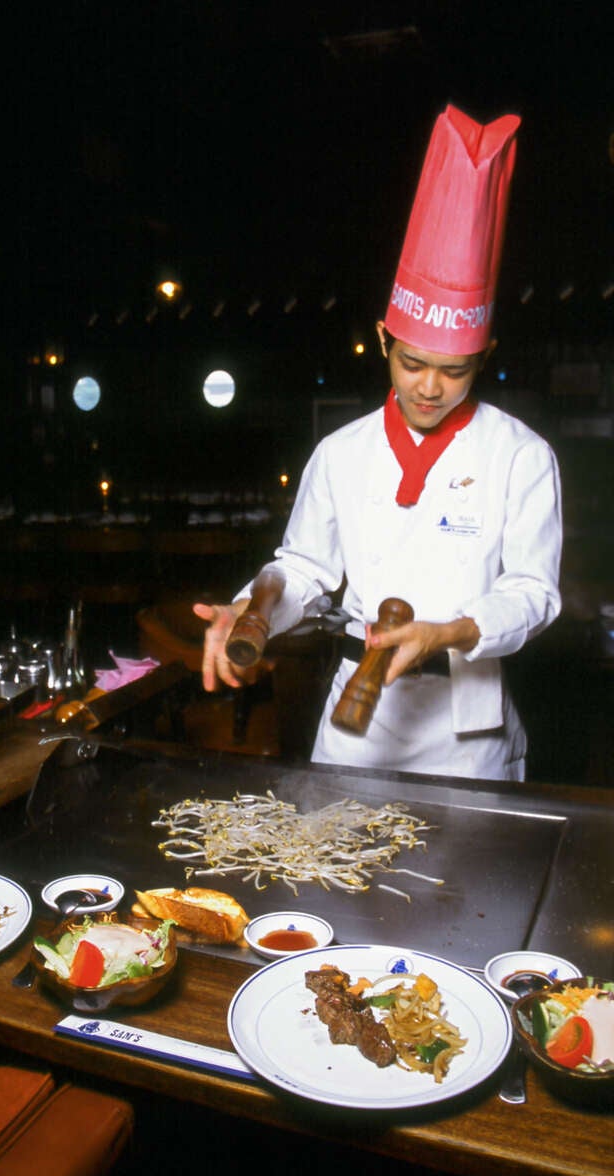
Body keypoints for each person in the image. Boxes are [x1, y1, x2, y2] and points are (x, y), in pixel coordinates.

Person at [193, 105, 562, 782]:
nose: (431, 387)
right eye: (412, 363)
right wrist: (252, 610)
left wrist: (447, 632)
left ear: (484, 357)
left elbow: (533, 592)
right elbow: (302, 570)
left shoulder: (521, 456)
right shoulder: (341, 452)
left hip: (468, 731)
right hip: (356, 732)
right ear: (384, 340)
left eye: (455, 370)